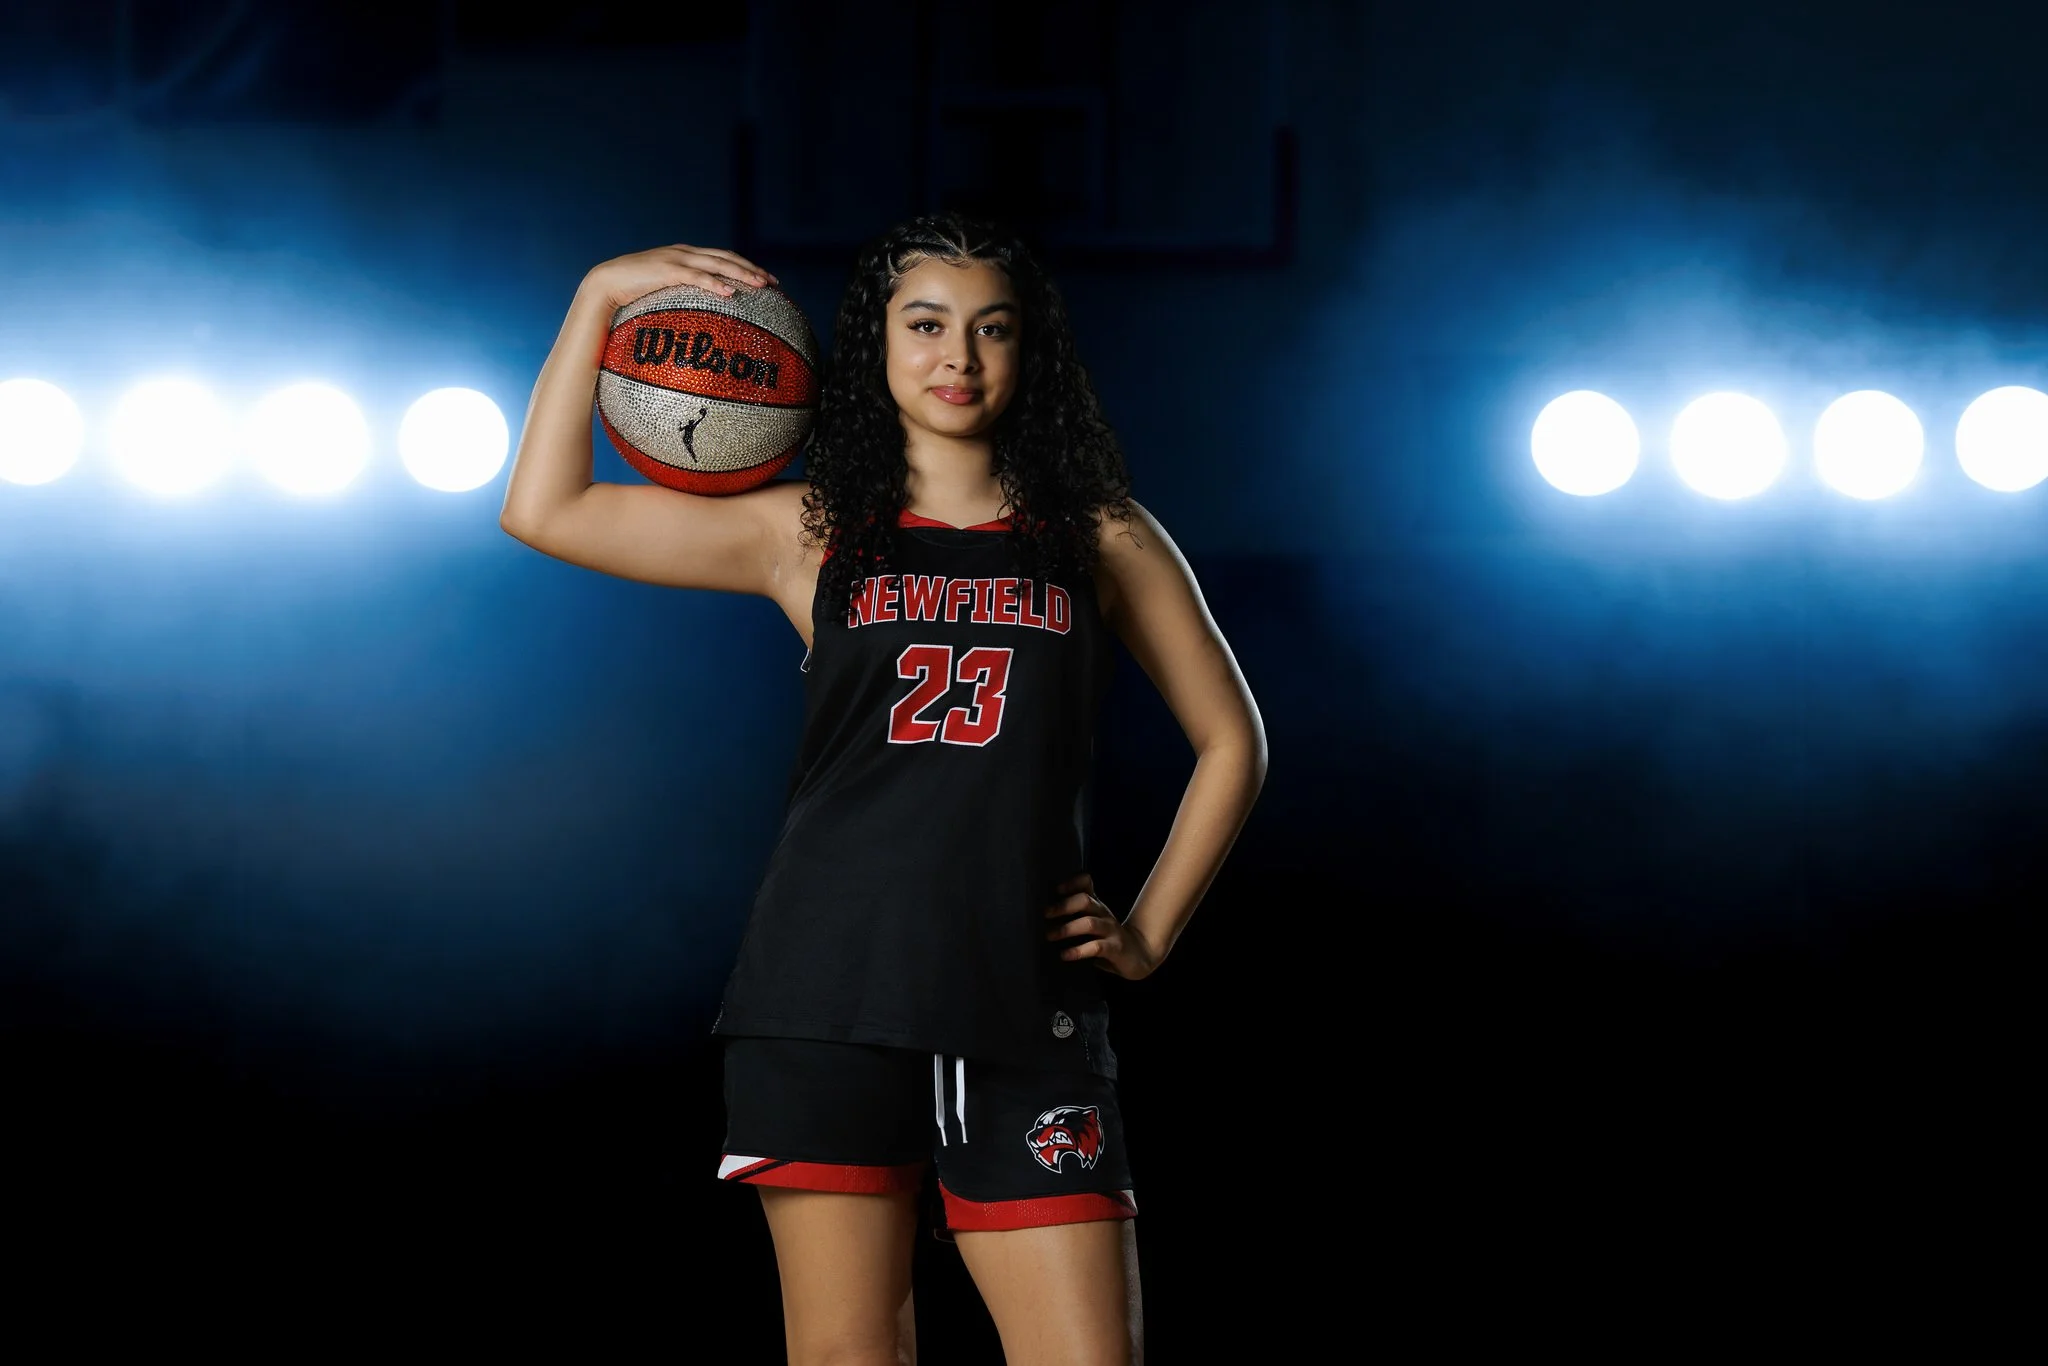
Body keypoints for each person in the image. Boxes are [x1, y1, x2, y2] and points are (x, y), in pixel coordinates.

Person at [500, 214, 1266, 1366]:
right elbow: (544, 508)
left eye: (990, 329)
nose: (957, 356)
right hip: (825, 995)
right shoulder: (809, 530)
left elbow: (1231, 739)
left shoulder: (1099, 533)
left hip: (1024, 1005)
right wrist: (599, 293)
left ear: (1028, 353)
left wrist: (1150, 929)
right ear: (874, 347)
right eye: (925, 325)